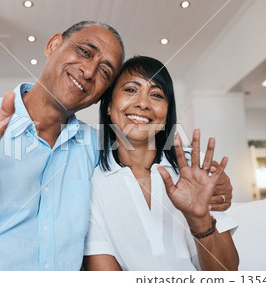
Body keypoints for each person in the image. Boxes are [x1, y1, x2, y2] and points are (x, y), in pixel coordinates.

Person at [0, 21, 231, 270]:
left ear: (102, 96)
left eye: (105, 71)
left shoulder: (96, 150)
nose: (90, 71)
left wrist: (218, 187)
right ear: (53, 45)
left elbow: (150, 154)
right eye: (85, 52)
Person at [83, 56, 239, 270]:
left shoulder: (194, 170)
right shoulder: (92, 185)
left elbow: (228, 272)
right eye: (130, 90)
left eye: (156, 94)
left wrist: (199, 219)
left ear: (167, 114)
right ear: (109, 105)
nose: (143, 103)